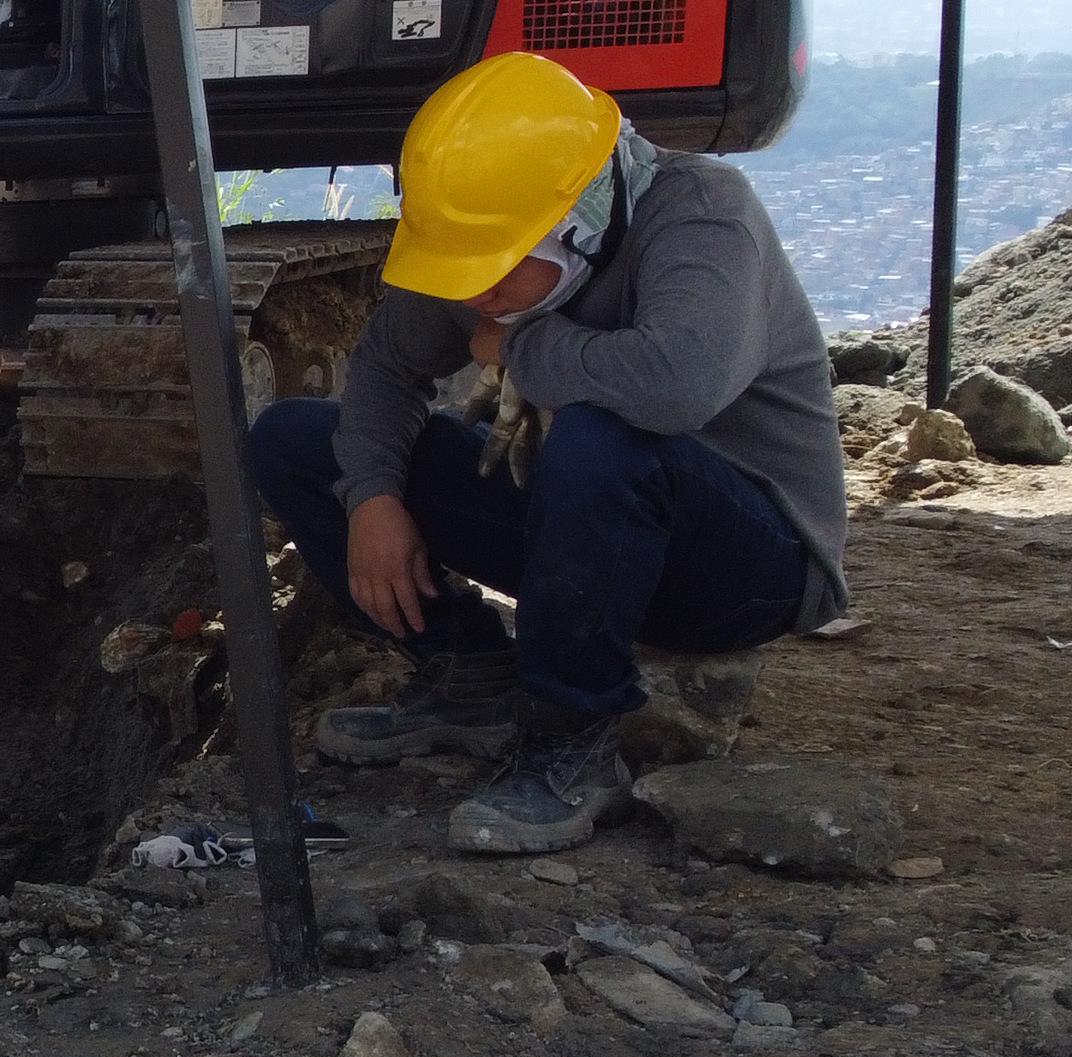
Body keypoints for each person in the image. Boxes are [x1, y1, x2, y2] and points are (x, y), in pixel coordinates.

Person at [244, 51, 845, 856]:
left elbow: (677, 387)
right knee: (293, 441)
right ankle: (468, 675)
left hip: (746, 563)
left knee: (605, 432)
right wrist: (373, 499)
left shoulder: (702, 212)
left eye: (496, 269)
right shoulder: (485, 253)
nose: (475, 294)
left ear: (583, 218)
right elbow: (388, 369)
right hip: (585, 525)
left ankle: (572, 737)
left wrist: (522, 347)